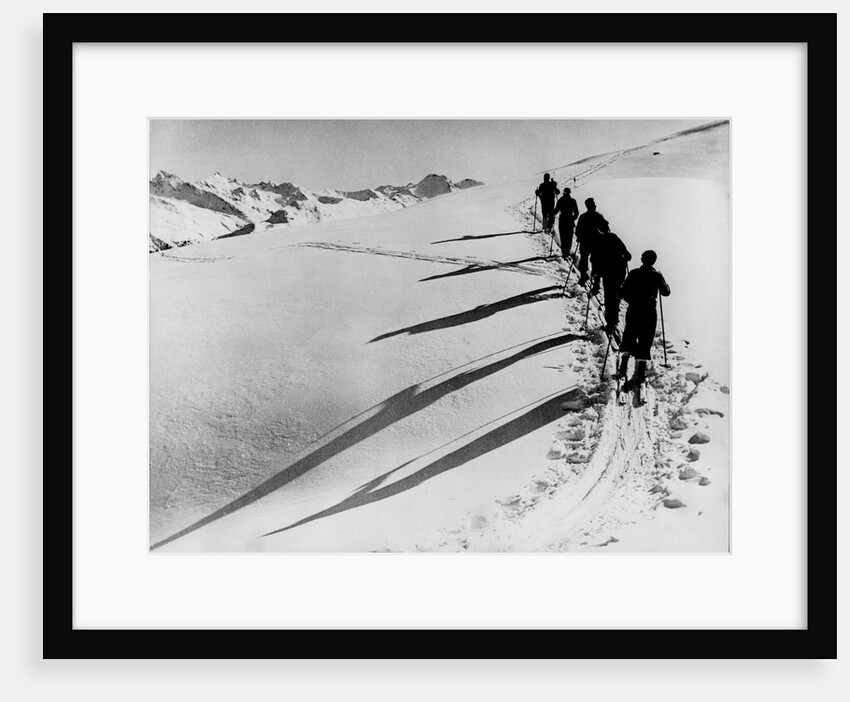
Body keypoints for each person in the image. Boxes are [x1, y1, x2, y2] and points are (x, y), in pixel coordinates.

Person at [616, 250, 672, 389]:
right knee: (645, 338)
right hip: (649, 311)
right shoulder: (657, 275)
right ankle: (640, 371)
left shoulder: (634, 273)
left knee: (630, 334)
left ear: (642, 259)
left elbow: (623, 292)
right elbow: (666, 292)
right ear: (654, 261)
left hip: (634, 309)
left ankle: (623, 367)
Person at [590, 228, 632, 333]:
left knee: (609, 296)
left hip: (607, 273)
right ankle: (614, 319)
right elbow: (628, 256)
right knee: (615, 294)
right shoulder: (614, 237)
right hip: (619, 272)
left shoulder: (597, 242)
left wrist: (596, 282)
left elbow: (594, 261)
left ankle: (611, 323)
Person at [574, 197, 609, 286]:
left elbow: (577, 230)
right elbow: (605, 230)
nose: (595, 205)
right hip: (596, 243)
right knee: (596, 261)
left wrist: (579, 237)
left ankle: (583, 277)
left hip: (585, 242)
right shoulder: (598, 216)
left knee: (584, 259)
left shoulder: (583, 217)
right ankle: (596, 282)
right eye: (594, 204)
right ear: (593, 206)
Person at [552, 187, 579, 260]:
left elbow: (556, 210)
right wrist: (573, 218)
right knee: (569, 237)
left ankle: (564, 252)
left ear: (564, 193)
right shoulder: (573, 201)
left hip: (562, 220)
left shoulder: (561, 200)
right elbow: (576, 213)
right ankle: (567, 251)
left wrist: (552, 213)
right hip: (570, 220)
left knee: (563, 236)